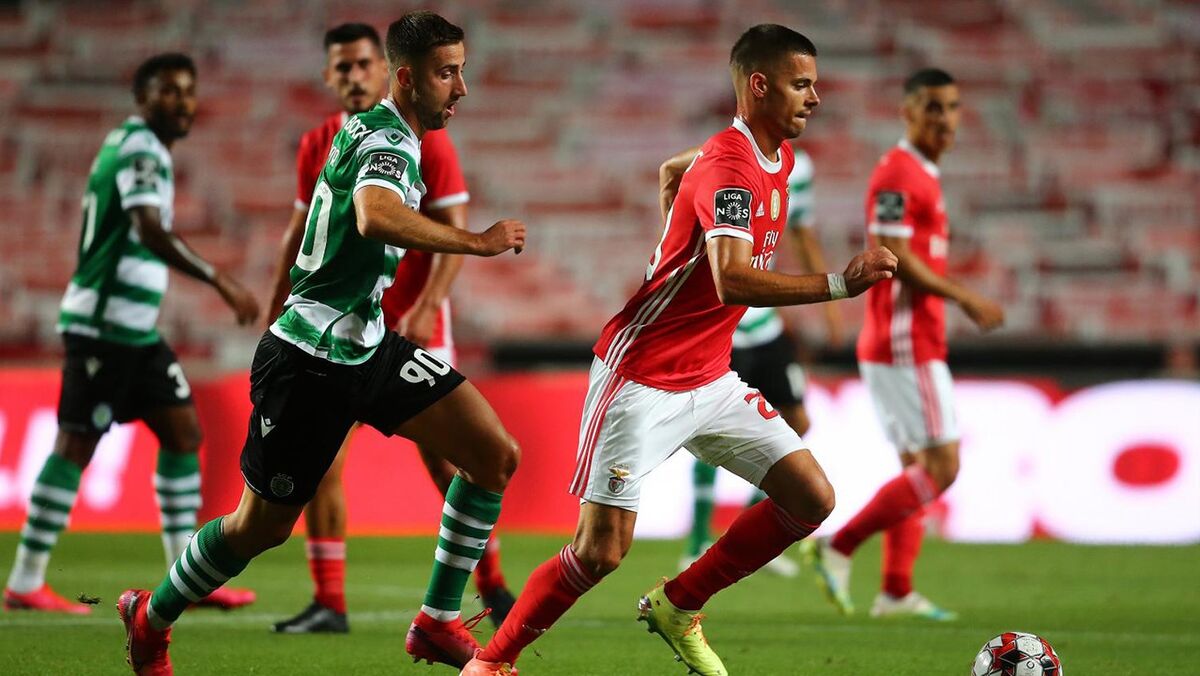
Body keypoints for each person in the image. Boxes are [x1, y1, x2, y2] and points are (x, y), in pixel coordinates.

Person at [462, 25, 897, 676]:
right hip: (641, 377)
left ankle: (679, 603)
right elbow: (732, 280)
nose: (815, 97)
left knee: (810, 496)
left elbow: (675, 169)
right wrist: (840, 284)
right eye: (801, 84)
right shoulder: (732, 169)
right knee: (600, 553)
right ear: (760, 85)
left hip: (710, 377)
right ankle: (490, 664)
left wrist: (674, 215)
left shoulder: (770, 158)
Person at [116, 12, 528, 674]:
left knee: (493, 455)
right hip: (310, 361)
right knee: (260, 527)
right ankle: (150, 617)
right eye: (447, 73)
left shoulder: (368, 129)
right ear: (406, 78)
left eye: (461, 71)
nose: (461, 88)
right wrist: (476, 242)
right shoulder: (390, 142)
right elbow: (373, 214)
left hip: (367, 343)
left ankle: (437, 620)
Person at [266, 21, 514, 636]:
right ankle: (330, 600)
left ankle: (489, 583)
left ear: (385, 71)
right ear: (329, 77)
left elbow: (450, 224)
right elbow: (304, 234)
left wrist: (429, 303)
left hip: (407, 323)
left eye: (362, 64)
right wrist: (277, 313)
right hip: (338, 331)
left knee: (452, 461)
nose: (354, 76)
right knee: (325, 467)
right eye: (342, 67)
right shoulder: (325, 140)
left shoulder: (428, 136)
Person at [3, 53, 260, 615]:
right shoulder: (141, 148)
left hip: (135, 332)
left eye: (188, 91)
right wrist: (219, 279)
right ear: (142, 97)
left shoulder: (142, 147)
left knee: (183, 433)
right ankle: (25, 580)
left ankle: (185, 579)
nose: (182, 101)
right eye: (168, 91)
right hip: (103, 328)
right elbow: (148, 228)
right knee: (76, 443)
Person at [802, 68, 1005, 621]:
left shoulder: (922, 173)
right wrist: (963, 295)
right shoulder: (897, 173)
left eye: (952, 107)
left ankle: (895, 591)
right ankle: (838, 545)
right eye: (932, 106)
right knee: (942, 467)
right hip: (904, 340)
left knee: (916, 468)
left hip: (906, 340)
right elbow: (893, 254)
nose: (945, 118)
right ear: (907, 111)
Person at [660, 143, 843, 577]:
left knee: (797, 420)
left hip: (766, 324)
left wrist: (831, 307)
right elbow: (675, 182)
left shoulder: (799, 167)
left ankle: (746, 532)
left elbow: (801, 232)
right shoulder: (729, 156)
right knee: (709, 427)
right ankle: (697, 540)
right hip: (726, 326)